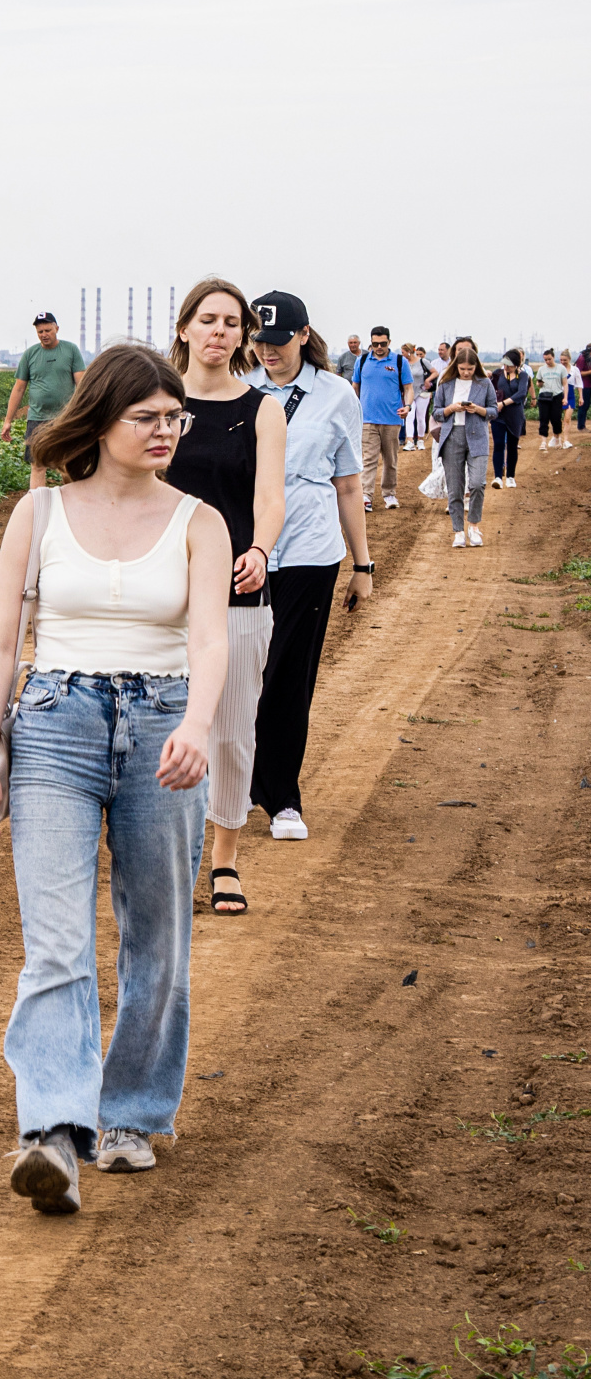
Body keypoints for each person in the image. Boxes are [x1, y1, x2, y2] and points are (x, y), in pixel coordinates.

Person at [0, 345, 232, 1210]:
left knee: (157, 934)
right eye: (147, 417)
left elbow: (209, 641)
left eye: (174, 418)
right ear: (104, 420)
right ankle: (51, 1130)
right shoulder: (37, 515)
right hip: (54, 725)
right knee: (56, 941)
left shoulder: (200, 520)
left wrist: (197, 724)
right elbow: (3, 640)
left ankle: (131, 1112)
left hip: (163, 727)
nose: (166, 432)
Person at [160, 278, 283, 919]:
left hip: (235, 592)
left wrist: (260, 549)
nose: (219, 332)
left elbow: (269, 497)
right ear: (184, 328)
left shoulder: (261, 409)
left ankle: (225, 860)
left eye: (231, 323)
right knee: (157, 724)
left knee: (232, 730)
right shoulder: (156, 400)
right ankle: (165, 856)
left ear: (244, 335)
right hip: (160, 594)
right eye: (207, 319)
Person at [241, 293, 369, 843]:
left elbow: (348, 483)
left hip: (311, 551)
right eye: (259, 342)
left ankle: (282, 797)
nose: (267, 352)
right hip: (246, 550)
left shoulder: (337, 394)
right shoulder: (240, 389)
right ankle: (240, 785)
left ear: (302, 335)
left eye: (276, 341)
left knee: (290, 676)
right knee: (240, 673)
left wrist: (362, 563)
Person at [2, 314, 85, 486]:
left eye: (48, 330)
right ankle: (38, 506)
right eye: (40, 331)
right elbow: (18, 388)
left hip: (65, 418)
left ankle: (71, 504)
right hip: (37, 418)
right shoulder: (30, 354)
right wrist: (8, 420)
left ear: (57, 329)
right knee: (38, 464)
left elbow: (82, 384)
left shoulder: (70, 350)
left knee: (68, 463)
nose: (44, 334)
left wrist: (85, 413)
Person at [432, 340, 499, 548]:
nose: (466, 373)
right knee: (455, 488)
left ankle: (474, 526)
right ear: (456, 366)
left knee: (478, 483)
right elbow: (436, 412)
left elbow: (494, 411)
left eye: (470, 369)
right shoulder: (445, 383)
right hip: (452, 436)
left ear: (476, 367)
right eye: (462, 369)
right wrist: (451, 408)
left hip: (477, 435)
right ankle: (458, 531)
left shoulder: (484, 383)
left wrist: (478, 410)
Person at [353, 323, 411, 509]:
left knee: (390, 460)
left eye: (383, 344)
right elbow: (355, 387)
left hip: (392, 420)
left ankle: (389, 494)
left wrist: (407, 406)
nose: (379, 347)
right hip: (367, 420)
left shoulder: (400, 362)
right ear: (371, 343)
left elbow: (408, 388)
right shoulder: (361, 362)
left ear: (389, 342)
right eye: (376, 344)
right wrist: (355, 408)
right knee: (369, 459)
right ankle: (365, 496)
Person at [492, 349, 531, 489]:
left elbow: (521, 394)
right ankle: (497, 476)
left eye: (509, 365)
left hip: (515, 415)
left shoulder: (523, 376)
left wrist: (503, 403)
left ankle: (510, 476)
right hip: (499, 416)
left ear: (516, 364)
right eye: (504, 364)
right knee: (498, 445)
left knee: (512, 446)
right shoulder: (497, 374)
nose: (506, 367)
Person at [538, 348, 573, 446]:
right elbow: (538, 382)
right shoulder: (541, 369)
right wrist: (539, 384)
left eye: (549, 359)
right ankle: (543, 442)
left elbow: (565, 384)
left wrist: (565, 398)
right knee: (543, 419)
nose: (547, 361)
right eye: (545, 360)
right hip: (544, 396)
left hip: (556, 396)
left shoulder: (561, 368)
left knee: (556, 419)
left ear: (553, 357)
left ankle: (557, 437)